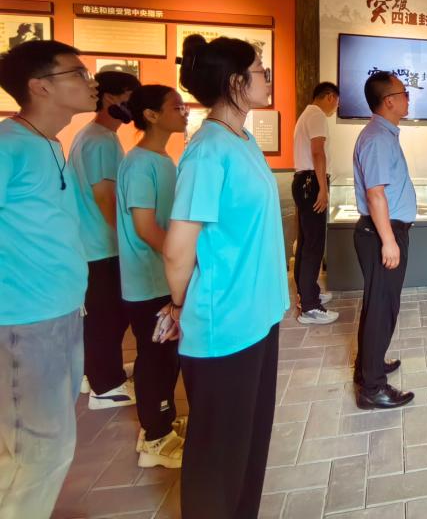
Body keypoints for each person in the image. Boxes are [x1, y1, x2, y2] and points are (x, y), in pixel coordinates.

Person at [163, 35, 288, 518]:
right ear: (236, 82)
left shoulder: (242, 139)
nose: (267, 78)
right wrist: (179, 305)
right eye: (260, 70)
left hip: (258, 315)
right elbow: (178, 249)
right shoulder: (207, 151)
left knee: (249, 443)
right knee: (217, 457)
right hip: (225, 323)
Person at [0, 40, 97, 518]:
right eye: (77, 73)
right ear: (39, 86)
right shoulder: (8, 145)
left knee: (35, 448)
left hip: (60, 314)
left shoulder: (50, 143)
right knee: (39, 453)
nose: (90, 82)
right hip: (24, 323)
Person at [117, 85, 189, 469]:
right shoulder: (139, 164)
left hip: (163, 278)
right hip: (148, 282)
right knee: (155, 357)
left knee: (166, 356)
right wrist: (181, 260)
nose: (185, 112)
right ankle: (155, 438)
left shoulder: (162, 159)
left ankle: (163, 421)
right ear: (151, 115)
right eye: (176, 107)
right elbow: (145, 227)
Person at [69, 69, 140, 409]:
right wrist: (129, 239)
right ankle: (106, 385)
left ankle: (96, 373)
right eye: (130, 97)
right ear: (111, 98)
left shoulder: (93, 136)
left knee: (101, 316)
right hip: (102, 246)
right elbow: (105, 197)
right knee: (108, 318)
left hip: (94, 246)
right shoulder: (100, 140)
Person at [351, 71, 416, 410]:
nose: (408, 98)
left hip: (385, 230)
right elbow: (375, 194)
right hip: (382, 232)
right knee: (381, 309)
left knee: (378, 306)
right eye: (404, 93)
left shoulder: (383, 134)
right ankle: (372, 387)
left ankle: (369, 366)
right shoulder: (377, 137)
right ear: (389, 101)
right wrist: (388, 241)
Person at [292, 81, 340, 325]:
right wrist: (323, 188)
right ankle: (310, 307)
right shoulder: (318, 115)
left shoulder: (306, 114)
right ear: (330, 96)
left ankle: (307, 293)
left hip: (303, 181)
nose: (336, 107)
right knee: (313, 244)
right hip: (312, 183)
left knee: (305, 242)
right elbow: (318, 152)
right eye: (336, 102)